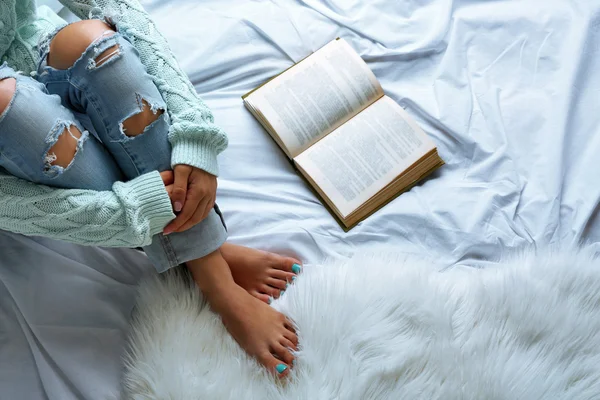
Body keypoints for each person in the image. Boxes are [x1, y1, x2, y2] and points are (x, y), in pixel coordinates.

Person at [0, 1, 299, 376]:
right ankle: (213, 274)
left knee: (102, 49)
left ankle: (200, 258)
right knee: (15, 112)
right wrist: (129, 212)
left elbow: (115, 6)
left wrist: (194, 133)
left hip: (41, 50)